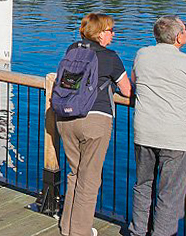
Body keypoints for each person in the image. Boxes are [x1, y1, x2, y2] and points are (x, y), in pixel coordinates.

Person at [129, 16, 186, 236]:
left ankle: (138, 231)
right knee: (170, 194)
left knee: (143, 186)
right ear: (179, 36)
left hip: (144, 133)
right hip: (175, 139)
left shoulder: (142, 54)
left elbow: (135, 84)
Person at [56, 13, 132, 236]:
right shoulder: (110, 57)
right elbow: (127, 90)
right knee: (89, 179)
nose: (113, 35)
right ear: (100, 33)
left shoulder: (73, 50)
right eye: (110, 31)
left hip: (66, 118)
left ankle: (68, 226)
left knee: (75, 173)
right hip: (95, 121)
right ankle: (80, 232)